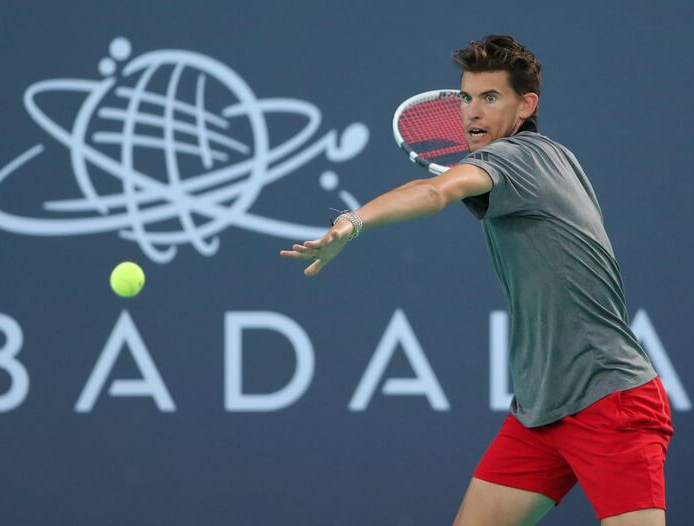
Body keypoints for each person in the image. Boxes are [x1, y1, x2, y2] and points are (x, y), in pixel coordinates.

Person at [280, 35, 673, 526]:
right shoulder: (549, 157)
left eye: (490, 98)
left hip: (608, 399)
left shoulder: (518, 156)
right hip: (541, 410)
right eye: (466, 98)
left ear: (526, 105)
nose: (472, 113)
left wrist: (352, 223)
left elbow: (434, 190)